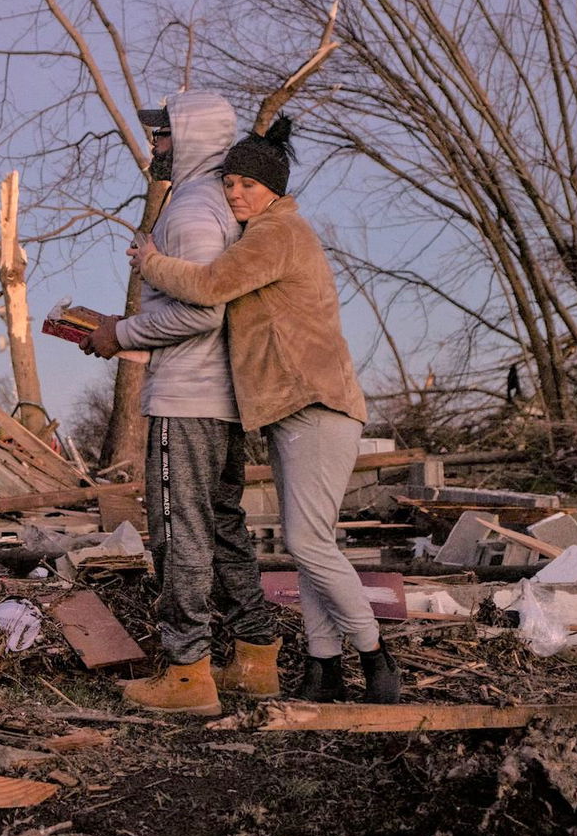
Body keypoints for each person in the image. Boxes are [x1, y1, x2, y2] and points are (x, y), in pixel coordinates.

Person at [128, 117, 401, 704]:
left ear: (274, 188)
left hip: (317, 406)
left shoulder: (277, 234)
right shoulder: (264, 230)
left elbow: (207, 288)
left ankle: (376, 654)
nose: (234, 194)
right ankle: (324, 667)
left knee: (306, 544)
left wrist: (149, 260)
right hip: (288, 409)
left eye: (249, 185)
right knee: (312, 542)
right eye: (229, 183)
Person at [81, 90, 280, 716]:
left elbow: (201, 310)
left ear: (191, 138)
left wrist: (121, 335)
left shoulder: (192, 210)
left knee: (179, 530)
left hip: (188, 398)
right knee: (222, 525)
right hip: (221, 398)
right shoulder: (219, 204)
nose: (154, 147)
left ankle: (187, 673)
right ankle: (254, 657)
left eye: (163, 136)